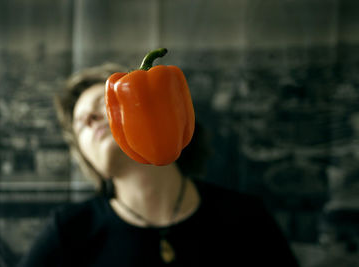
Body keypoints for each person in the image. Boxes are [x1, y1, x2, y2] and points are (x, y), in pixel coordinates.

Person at [18, 63, 300, 267]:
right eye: (81, 124)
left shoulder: (246, 218)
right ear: (84, 156)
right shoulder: (68, 233)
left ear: (150, 108)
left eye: (102, 106)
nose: (92, 121)